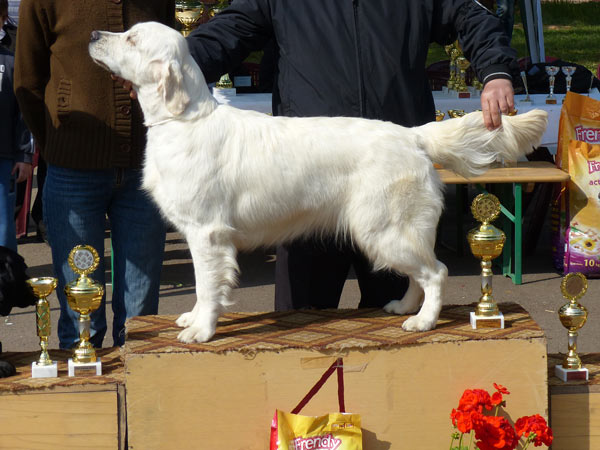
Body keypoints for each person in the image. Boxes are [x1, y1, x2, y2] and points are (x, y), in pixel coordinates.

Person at [122, 0, 517, 313]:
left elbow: (471, 16)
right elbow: (229, 32)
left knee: (395, 332)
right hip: (301, 180)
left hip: (386, 173)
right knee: (300, 326)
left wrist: (496, 70)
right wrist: (160, 67)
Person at [14, 0, 176, 349]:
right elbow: (26, 82)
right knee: (79, 319)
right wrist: (57, 144)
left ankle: (140, 395)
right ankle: (83, 395)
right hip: (72, 172)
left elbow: (170, 62)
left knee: (141, 316)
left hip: (145, 171)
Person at [0, 0, 31, 253]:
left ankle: (6, 279)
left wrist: (24, 155)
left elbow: (23, 113)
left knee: (2, 225)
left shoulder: (11, 61)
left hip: (4, 158)